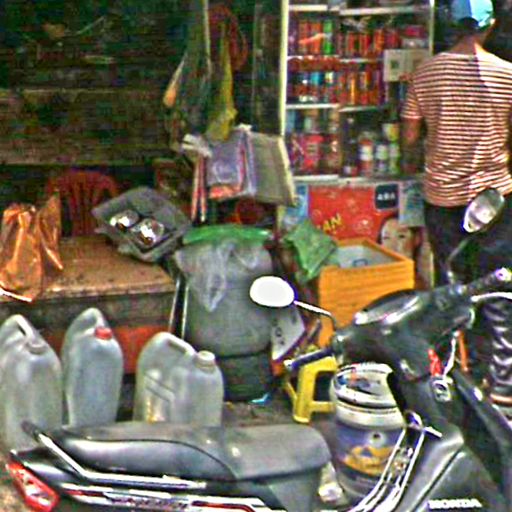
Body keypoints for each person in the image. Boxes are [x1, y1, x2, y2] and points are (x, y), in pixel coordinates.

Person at [400, 0, 512, 412]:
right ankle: (502, 383)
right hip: (495, 200)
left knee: (451, 288)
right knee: (496, 288)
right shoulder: (508, 75)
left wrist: (419, 156)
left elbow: (410, 138)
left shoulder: (427, 72)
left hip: (443, 199)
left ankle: (454, 374)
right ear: (490, 25)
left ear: (449, 24)